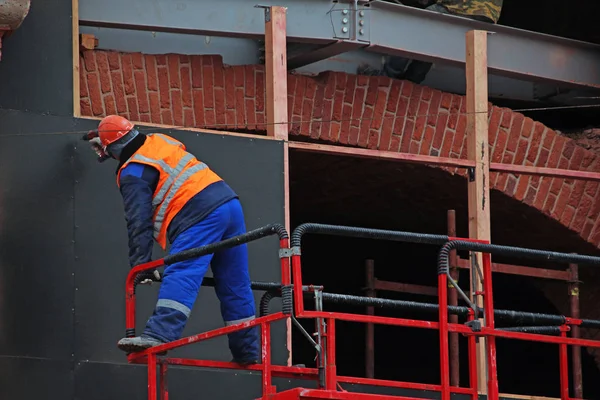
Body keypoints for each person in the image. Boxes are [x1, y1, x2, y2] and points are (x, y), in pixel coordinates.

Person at [83, 115, 259, 365]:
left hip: (198, 211)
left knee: (182, 270)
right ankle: (247, 354)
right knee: (235, 284)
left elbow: (138, 222)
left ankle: (159, 335)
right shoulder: (159, 141)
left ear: (113, 147)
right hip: (229, 205)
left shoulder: (132, 172)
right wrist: (107, 136)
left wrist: (141, 266)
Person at [359, 0, 503, 83]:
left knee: (411, 27)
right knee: (434, 39)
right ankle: (412, 80)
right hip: (487, 14)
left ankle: (387, 76)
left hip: (464, 6)